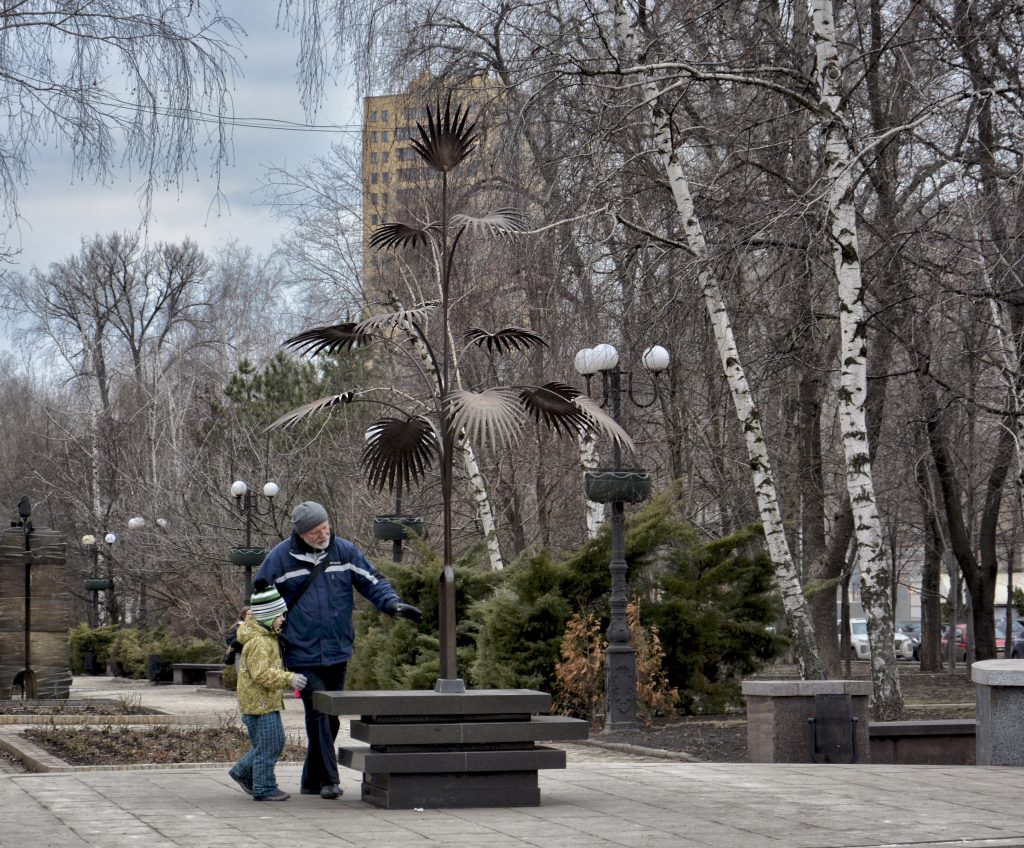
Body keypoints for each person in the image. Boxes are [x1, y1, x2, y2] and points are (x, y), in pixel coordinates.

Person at [254, 500, 422, 800]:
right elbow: (261, 597)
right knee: (318, 714)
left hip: (337, 649)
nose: (323, 534)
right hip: (301, 652)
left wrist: (392, 604)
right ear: (301, 533)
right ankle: (330, 780)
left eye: (325, 527)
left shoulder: (343, 550)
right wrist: (270, 630)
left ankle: (310, 779)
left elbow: (372, 581)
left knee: (331, 718)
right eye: (316, 531)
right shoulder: (280, 558)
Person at [228, 587, 308, 802]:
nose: (283, 619)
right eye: (279, 615)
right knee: (271, 745)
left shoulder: (266, 638)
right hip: (260, 704)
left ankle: (242, 772)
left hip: (263, 702)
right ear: (266, 617)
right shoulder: (260, 642)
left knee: (271, 743)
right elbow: (261, 674)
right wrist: (288, 678)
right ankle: (263, 786)